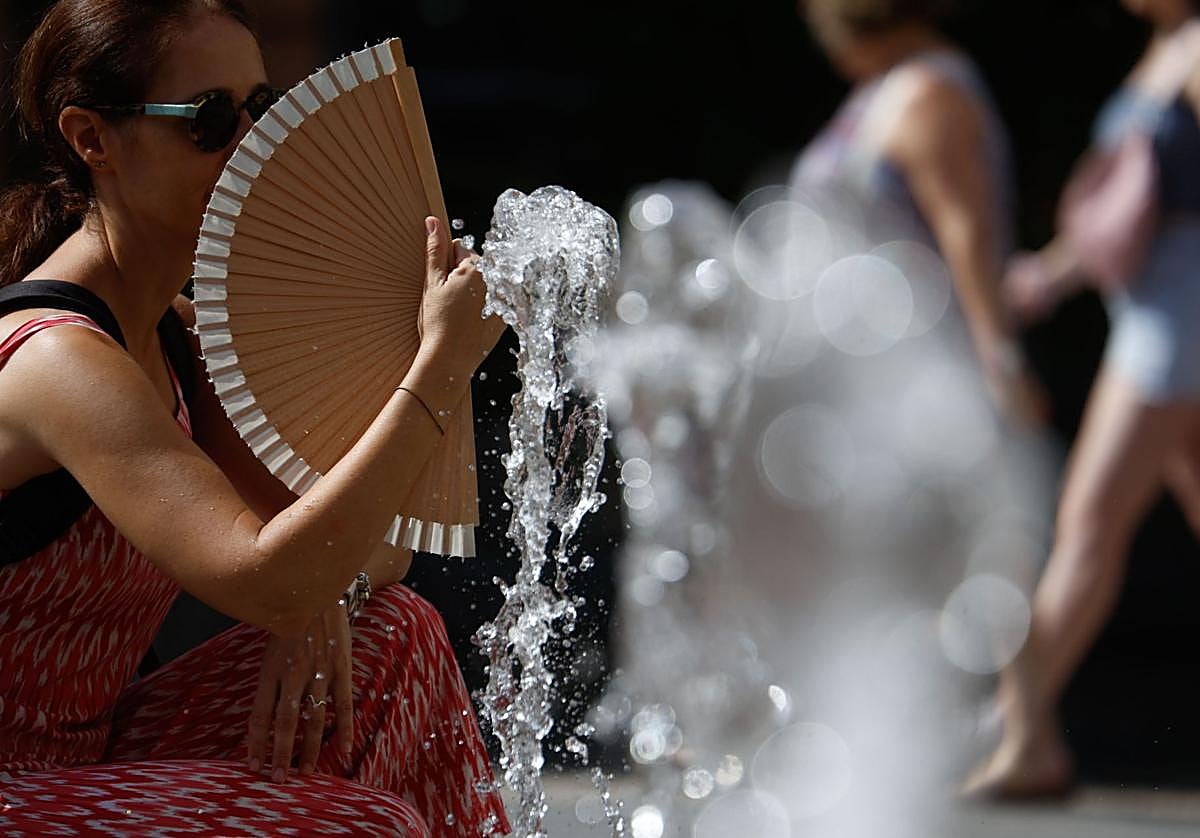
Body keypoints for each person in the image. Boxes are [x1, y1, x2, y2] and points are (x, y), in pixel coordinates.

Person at [0, 1, 509, 835]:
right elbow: (269, 575)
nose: (251, 147)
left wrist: (324, 597)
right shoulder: (57, 360)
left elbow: (373, 550)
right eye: (208, 120)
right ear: (93, 139)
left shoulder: (173, 330)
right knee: (358, 826)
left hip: (86, 770)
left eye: (260, 112)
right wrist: (440, 367)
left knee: (397, 637)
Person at [965, 0, 1200, 798]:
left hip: (1179, 325)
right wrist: (1050, 277)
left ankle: (1009, 733)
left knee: (1088, 526)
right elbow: (1134, 198)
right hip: (1153, 312)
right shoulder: (1166, 45)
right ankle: (1015, 732)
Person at [794, 0, 1048, 426]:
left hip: (924, 373)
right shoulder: (890, 86)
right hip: (869, 364)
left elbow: (965, 232)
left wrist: (1001, 362)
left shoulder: (930, 92)